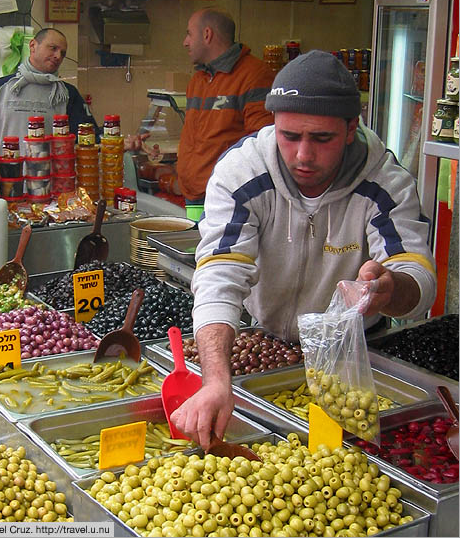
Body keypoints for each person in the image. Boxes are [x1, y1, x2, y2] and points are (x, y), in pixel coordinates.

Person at [171, 49, 437, 449]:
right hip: (266, 339)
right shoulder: (242, 173)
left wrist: (391, 289)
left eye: (322, 138)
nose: (303, 155)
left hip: (355, 354)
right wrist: (216, 380)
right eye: (289, 136)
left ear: (351, 128)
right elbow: (219, 274)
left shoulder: (386, 182)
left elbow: (418, 277)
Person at [125, 8, 274, 214]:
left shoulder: (255, 75)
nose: (185, 42)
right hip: (194, 198)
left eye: (189, 34)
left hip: (227, 200)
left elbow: (262, 145)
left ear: (207, 34)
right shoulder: (198, 80)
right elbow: (198, 138)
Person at [0, 28, 100, 155]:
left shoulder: (67, 94)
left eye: (62, 53)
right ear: (33, 45)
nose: (58, 56)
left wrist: (110, 141)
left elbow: (88, 137)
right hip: (7, 172)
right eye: (53, 48)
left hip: (52, 173)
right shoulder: (0, 89)